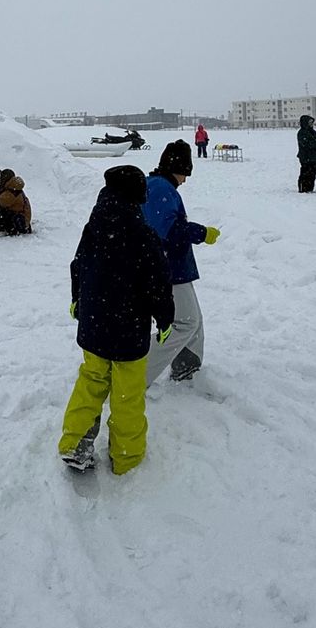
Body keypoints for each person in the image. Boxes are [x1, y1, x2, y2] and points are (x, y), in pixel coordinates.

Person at [58, 165, 175, 475]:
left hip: (94, 324)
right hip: (128, 330)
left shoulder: (93, 226)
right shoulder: (142, 234)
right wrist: (165, 320)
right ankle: (126, 455)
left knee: (91, 382)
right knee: (127, 395)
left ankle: (75, 441)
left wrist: (77, 299)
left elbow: (78, 265)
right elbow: (158, 283)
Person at [142, 138, 220, 384]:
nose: (186, 179)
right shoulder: (161, 188)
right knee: (185, 323)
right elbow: (167, 230)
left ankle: (187, 367)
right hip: (167, 269)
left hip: (172, 267)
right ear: (178, 167)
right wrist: (201, 233)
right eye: (185, 173)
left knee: (193, 319)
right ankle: (137, 375)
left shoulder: (156, 186)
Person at [297, 114, 316, 192]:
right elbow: (307, 144)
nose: (312, 124)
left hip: (314, 157)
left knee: (313, 173)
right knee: (305, 174)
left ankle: (310, 189)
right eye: (310, 122)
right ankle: (303, 189)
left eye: (312, 122)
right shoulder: (302, 133)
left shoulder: (313, 131)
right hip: (306, 157)